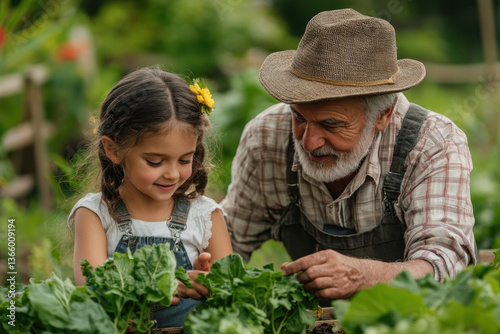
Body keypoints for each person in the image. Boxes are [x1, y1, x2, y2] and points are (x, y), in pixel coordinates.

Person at [221, 9, 476, 301]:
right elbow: (230, 241)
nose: (309, 142)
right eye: (299, 117)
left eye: (331, 124)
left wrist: (364, 276)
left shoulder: (432, 143)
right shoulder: (267, 137)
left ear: (383, 114)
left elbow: (443, 266)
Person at [68, 68, 232, 327]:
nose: (172, 173)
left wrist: (208, 283)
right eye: (155, 161)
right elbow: (92, 292)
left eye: (185, 159)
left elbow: (231, 294)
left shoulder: (205, 215)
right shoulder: (95, 214)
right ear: (114, 149)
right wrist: (160, 286)